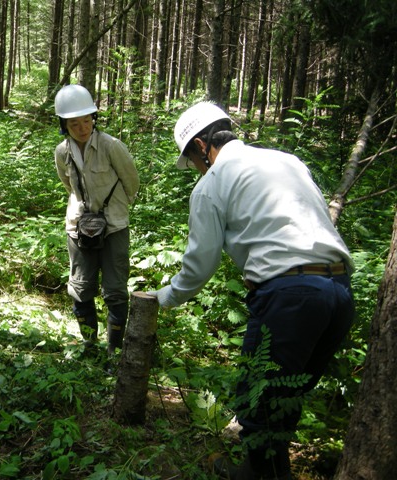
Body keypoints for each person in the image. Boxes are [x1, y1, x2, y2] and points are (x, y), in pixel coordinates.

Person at [148, 102, 355, 479]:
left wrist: (165, 297)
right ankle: (268, 472)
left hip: (291, 297)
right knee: (285, 396)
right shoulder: (287, 161)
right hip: (339, 291)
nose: (196, 169)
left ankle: (258, 475)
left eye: (193, 160)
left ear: (201, 146)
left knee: (259, 402)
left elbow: (200, 263)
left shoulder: (212, 184)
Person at [53, 84, 140, 361]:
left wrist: (111, 210)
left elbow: (132, 183)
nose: (82, 128)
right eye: (74, 123)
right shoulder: (62, 151)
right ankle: (89, 346)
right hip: (78, 226)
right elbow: (68, 184)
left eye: (87, 121)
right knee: (80, 287)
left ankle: (114, 351)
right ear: (64, 125)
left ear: (94, 118)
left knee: (115, 290)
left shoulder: (111, 146)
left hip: (114, 227)